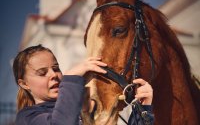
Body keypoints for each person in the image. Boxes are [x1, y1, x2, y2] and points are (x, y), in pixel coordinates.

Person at [13, 44, 154, 125]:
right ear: (24, 84)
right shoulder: (27, 117)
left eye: (56, 68)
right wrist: (71, 79)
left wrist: (143, 108)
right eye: (42, 73)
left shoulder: (80, 109)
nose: (53, 75)